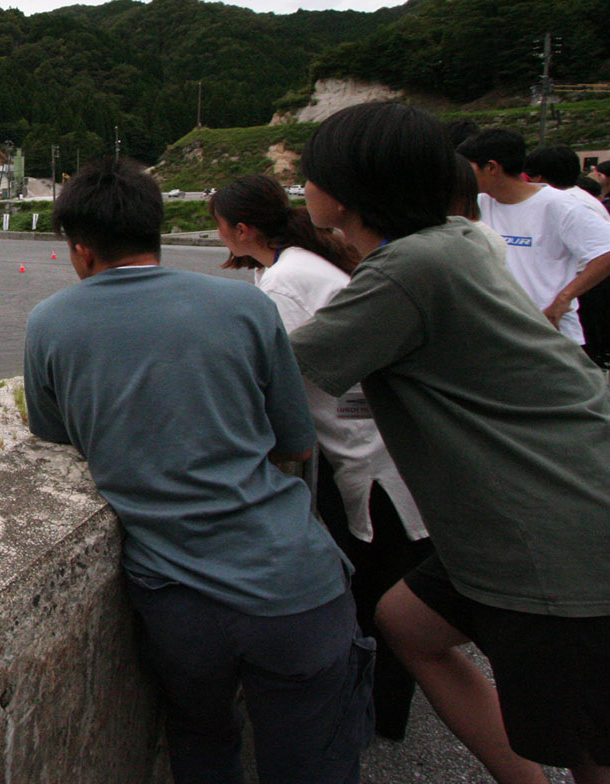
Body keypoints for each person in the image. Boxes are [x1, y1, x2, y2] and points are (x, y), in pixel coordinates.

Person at [23, 157, 372, 784]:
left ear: (80, 250)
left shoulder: (49, 324)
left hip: (176, 600)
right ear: (156, 230)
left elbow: (52, 438)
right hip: (292, 584)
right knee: (313, 758)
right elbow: (295, 441)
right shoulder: (245, 305)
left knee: (201, 738)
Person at [290, 102, 610, 784]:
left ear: (345, 191)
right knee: (408, 623)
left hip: (549, 528)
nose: (302, 190)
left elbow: (275, 372)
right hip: (552, 498)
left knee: (589, 744)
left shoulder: (406, 272)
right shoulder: (454, 241)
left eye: (309, 176)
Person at [211, 174, 431, 741]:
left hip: (363, 451)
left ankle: (373, 719)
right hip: (375, 442)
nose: (217, 235)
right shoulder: (292, 264)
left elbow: (266, 379)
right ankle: (379, 713)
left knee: (374, 593)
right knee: (383, 579)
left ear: (241, 229)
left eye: (219, 223)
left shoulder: (284, 281)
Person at [457, 129, 610, 348]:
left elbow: (605, 251)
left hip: (549, 334)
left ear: (491, 167)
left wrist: (564, 298)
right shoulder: (479, 203)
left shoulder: (558, 205)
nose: (461, 174)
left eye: (467, 167)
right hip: (499, 332)